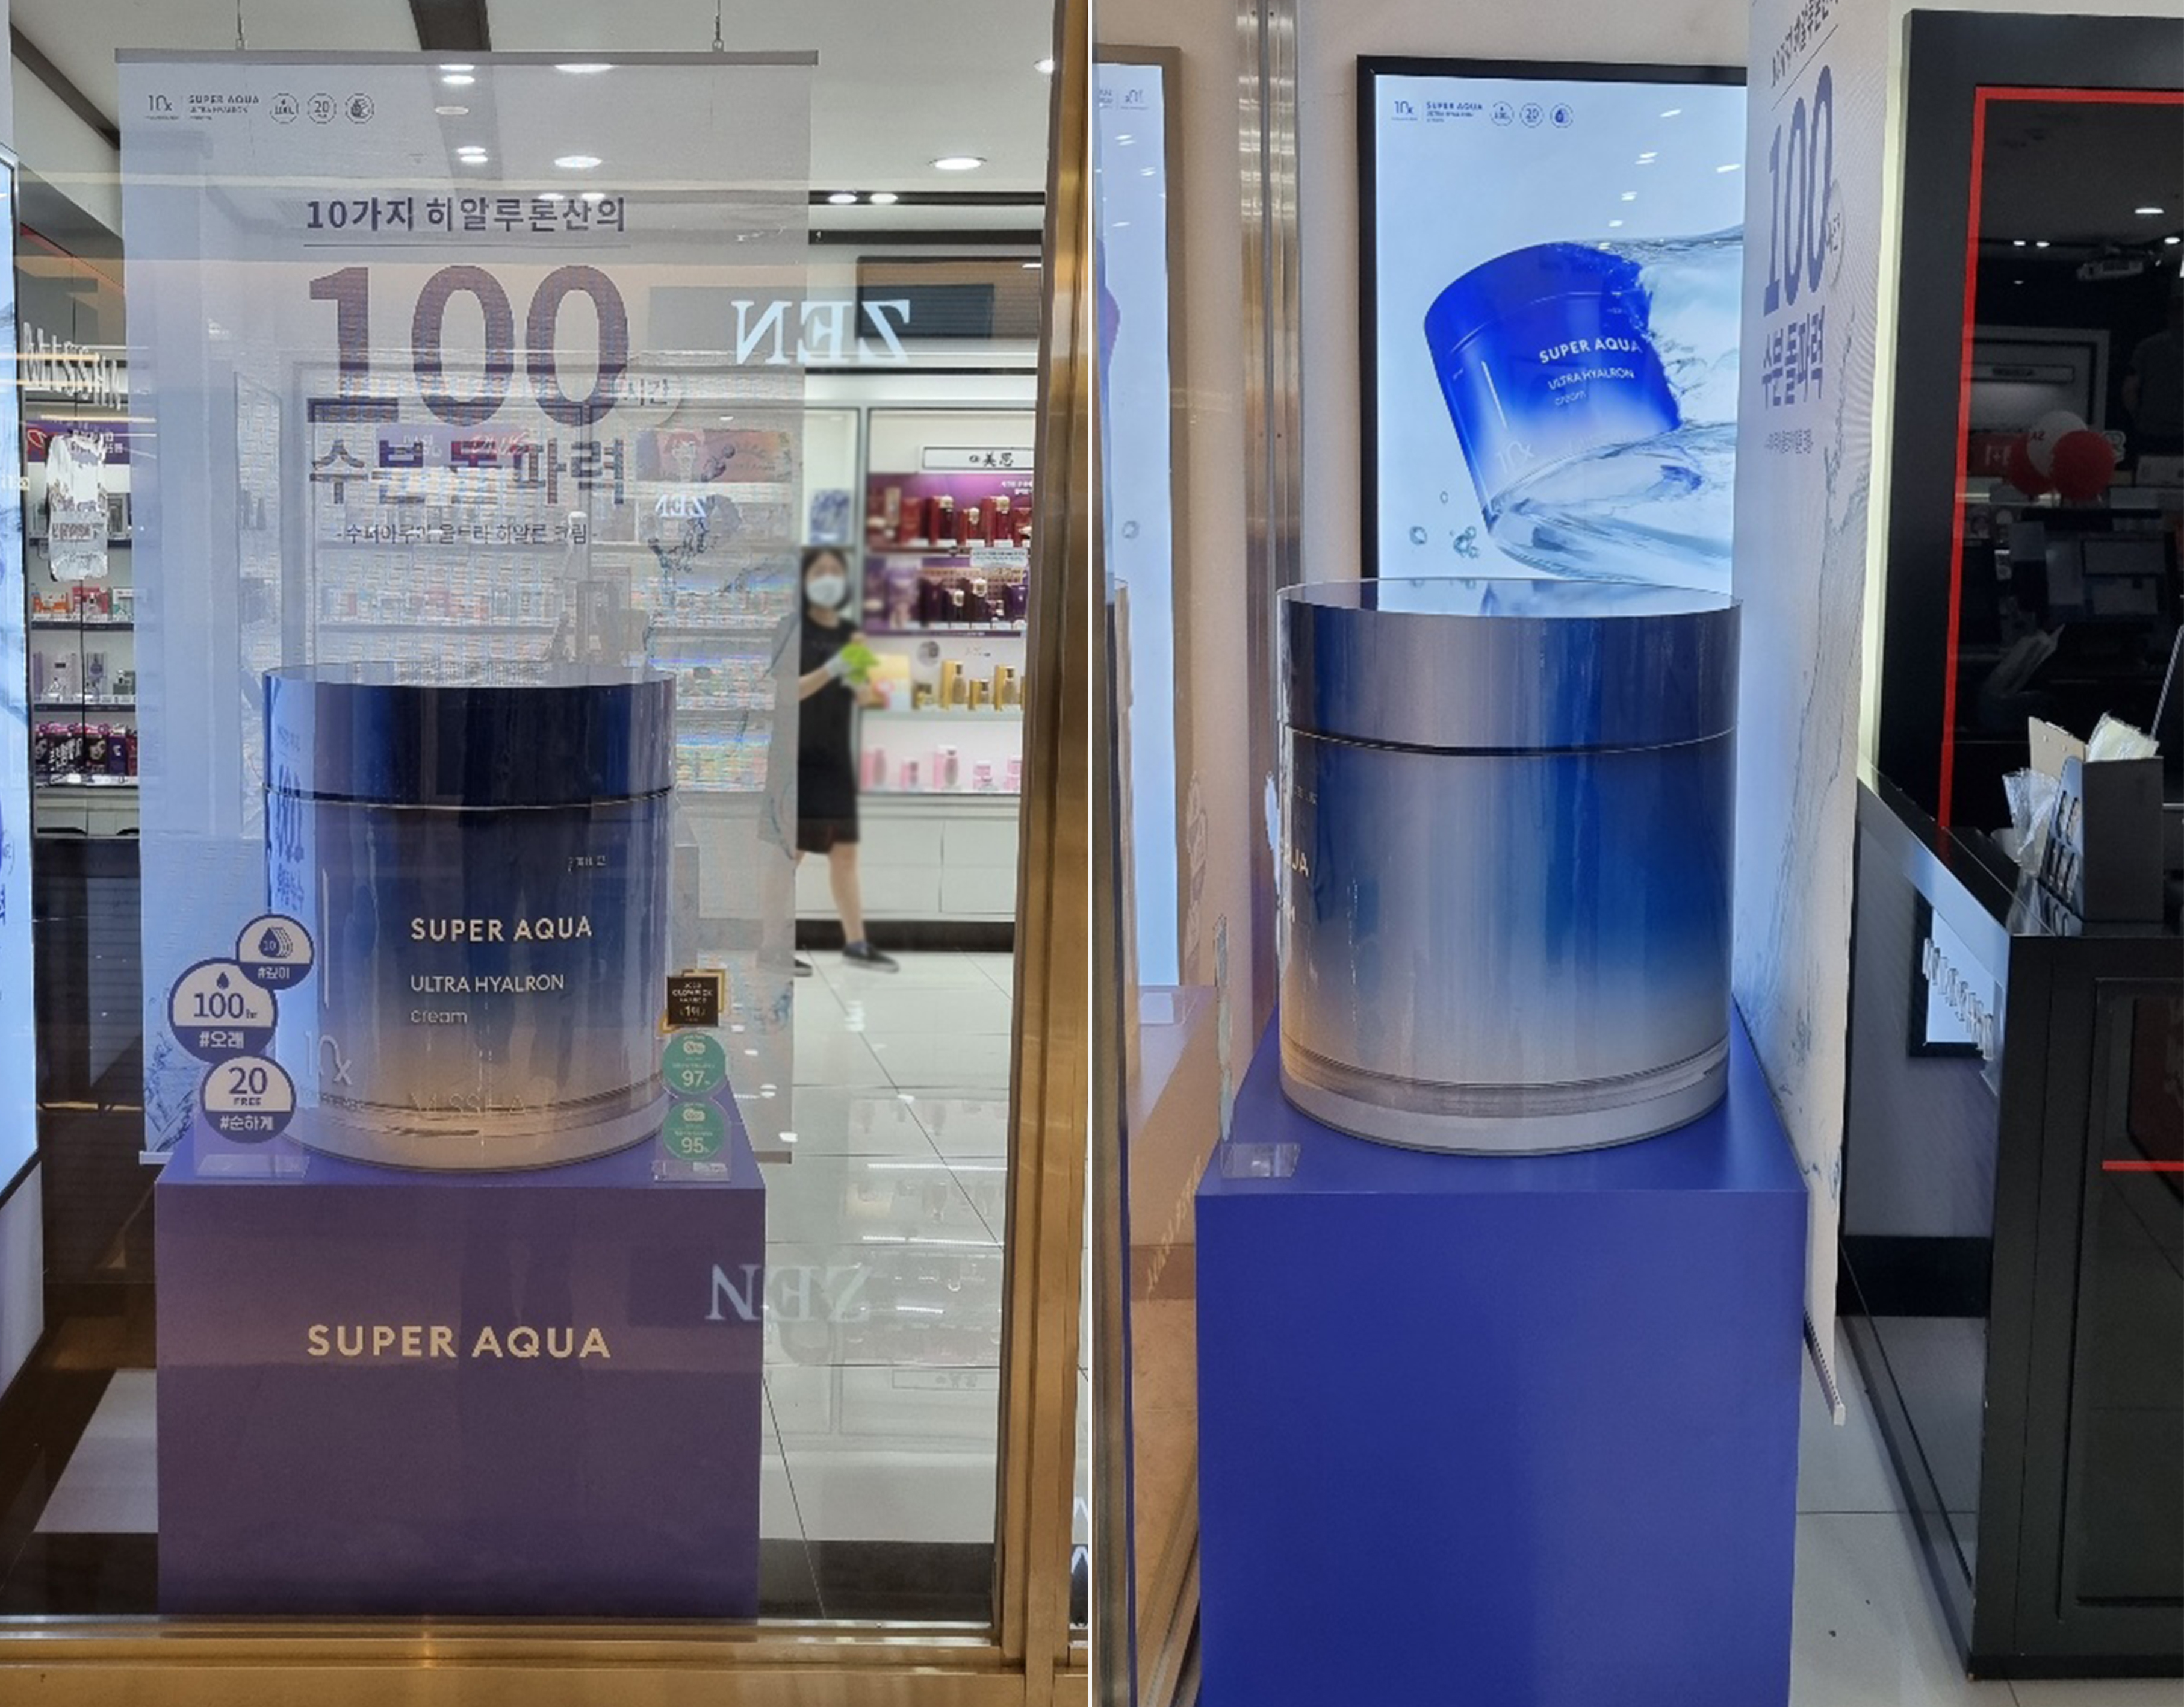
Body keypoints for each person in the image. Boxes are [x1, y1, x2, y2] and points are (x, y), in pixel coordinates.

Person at [795, 546, 897, 973]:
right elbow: (787, 692)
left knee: (845, 853)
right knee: (790, 855)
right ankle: (772, 944)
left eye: (835, 571)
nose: (828, 578)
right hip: (797, 757)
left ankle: (856, 943)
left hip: (836, 756)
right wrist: (832, 668)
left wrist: (858, 671)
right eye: (820, 570)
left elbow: (867, 696)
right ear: (805, 579)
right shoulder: (790, 630)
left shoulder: (850, 632)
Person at [2122, 286, 2183, 459]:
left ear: (2169, 315)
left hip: (2151, 432)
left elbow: (2129, 389)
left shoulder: (2147, 347)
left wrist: (2139, 418)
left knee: (2148, 473)